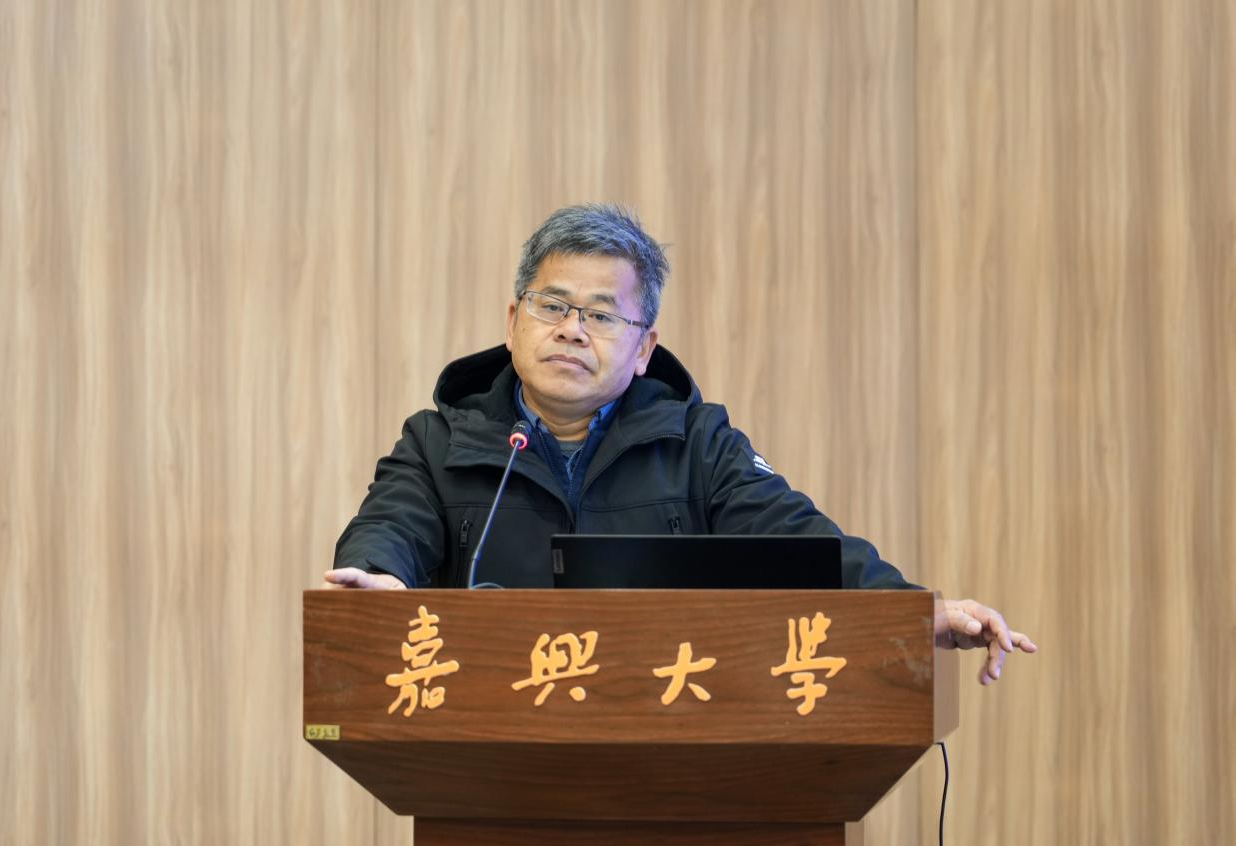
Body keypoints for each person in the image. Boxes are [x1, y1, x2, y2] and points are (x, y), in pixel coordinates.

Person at [326, 204, 1037, 684]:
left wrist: (914, 611)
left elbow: (798, 543)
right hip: (490, 755)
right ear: (513, 321)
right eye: (552, 305)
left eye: (602, 315)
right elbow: (390, 528)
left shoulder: (697, 444)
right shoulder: (438, 440)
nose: (571, 329)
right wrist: (378, 579)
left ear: (644, 349)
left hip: (675, 739)